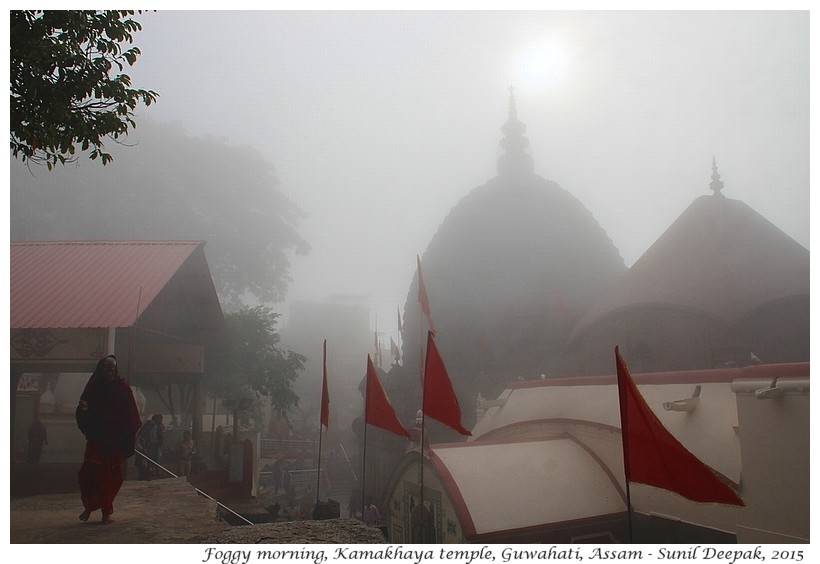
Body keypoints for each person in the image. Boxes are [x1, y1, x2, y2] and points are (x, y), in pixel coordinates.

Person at [75, 355, 141, 524]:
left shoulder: (123, 389)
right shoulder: (94, 386)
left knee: (111, 478)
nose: (109, 371)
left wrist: (128, 435)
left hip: (114, 441)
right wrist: (83, 410)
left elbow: (132, 416)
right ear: (101, 369)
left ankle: (106, 511)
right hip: (97, 439)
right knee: (88, 475)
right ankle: (89, 507)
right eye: (106, 368)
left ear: (116, 369)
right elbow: (83, 407)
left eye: (112, 368)